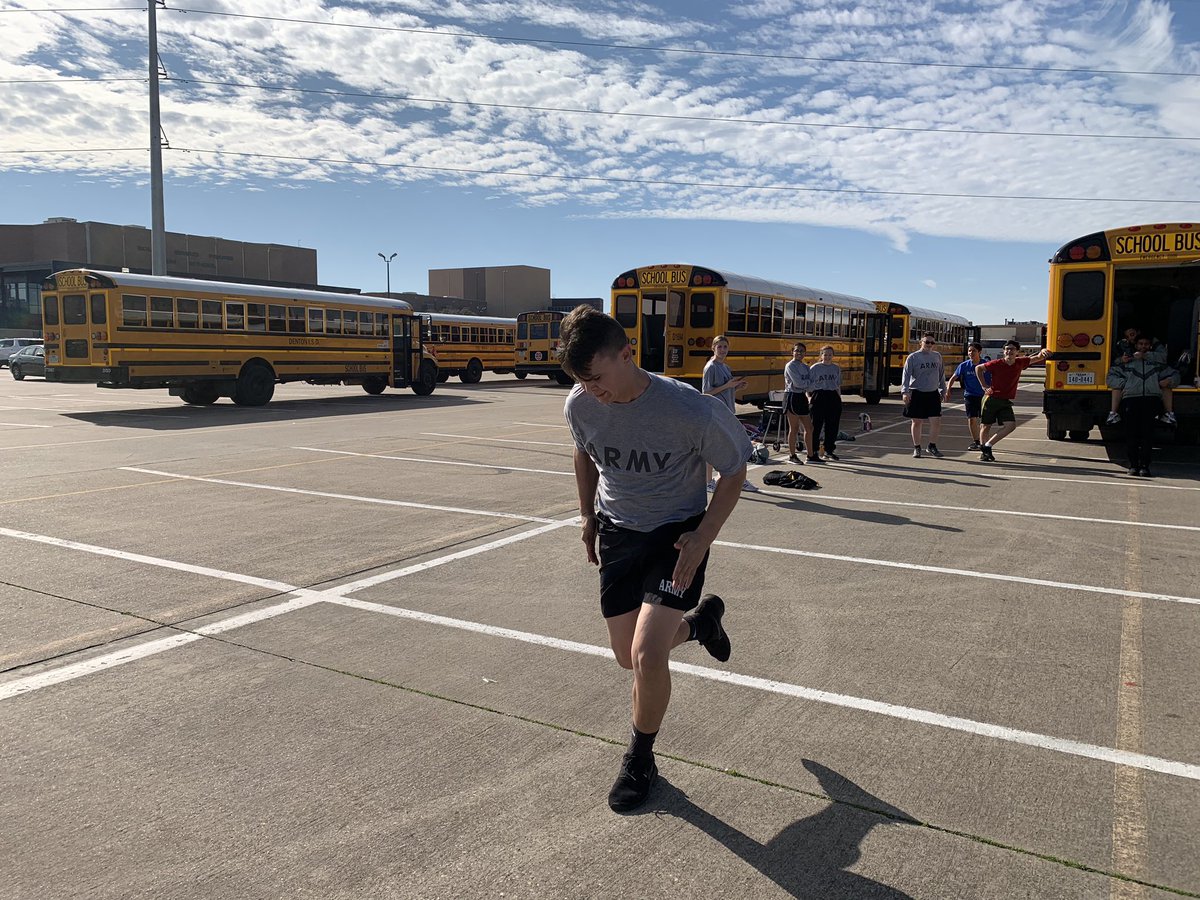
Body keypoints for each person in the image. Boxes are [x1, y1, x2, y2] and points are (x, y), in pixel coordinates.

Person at [559, 305, 751, 813]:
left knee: (646, 655)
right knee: (628, 658)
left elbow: (734, 472)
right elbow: (583, 451)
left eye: (598, 379)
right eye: (582, 381)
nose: (592, 391)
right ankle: (702, 623)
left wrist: (703, 536)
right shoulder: (580, 404)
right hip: (619, 533)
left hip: (675, 538)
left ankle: (640, 758)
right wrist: (585, 515)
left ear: (628, 354)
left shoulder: (690, 410)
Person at [1105, 333, 1178, 476]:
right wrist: (1125, 384)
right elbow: (1110, 377)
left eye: (1146, 344)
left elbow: (1175, 374)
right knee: (1131, 435)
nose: (1143, 346)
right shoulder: (1127, 362)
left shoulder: (1157, 364)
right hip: (1131, 400)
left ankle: (1145, 466)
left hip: (1151, 401)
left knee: (1147, 435)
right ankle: (1133, 466)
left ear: (1150, 346)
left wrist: (1168, 381)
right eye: (1140, 344)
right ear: (1136, 346)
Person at [975, 340, 1050, 461]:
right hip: (991, 399)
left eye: (1012, 349)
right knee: (985, 426)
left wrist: (1043, 351)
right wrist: (984, 386)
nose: (1009, 351)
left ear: (1017, 352)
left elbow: (1038, 357)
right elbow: (978, 368)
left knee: (1010, 425)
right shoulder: (996, 363)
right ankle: (984, 452)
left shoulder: (1020, 362)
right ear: (1003, 351)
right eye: (1007, 349)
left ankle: (988, 446)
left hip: (1005, 401)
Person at [702, 335, 758, 493]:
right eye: (719, 347)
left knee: (730, 447)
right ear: (713, 348)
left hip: (727, 411)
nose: (722, 350)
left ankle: (735, 479)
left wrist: (737, 387)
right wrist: (728, 384)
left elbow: (726, 389)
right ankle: (708, 481)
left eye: (725, 347)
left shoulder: (725, 367)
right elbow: (707, 392)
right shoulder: (711, 367)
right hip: (715, 412)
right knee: (718, 447)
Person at [1107, 328, 1177, 426]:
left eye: (1132, 335)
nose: (1130, 338)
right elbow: (1113, 368)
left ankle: (1168, 413)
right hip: (1131, 393)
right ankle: (1113, 413)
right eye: (1127, 337)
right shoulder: (1123, 345)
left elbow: (1164, 358)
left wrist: (1144, 355)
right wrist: (1121, 361)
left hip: (1152, 394)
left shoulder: (1154, 349)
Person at [900, 333, 946, 458]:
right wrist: (905, 392)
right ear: (921, 342)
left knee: (935, 420)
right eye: (927, 342)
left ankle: (932, 446)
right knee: (917, 421)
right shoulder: (913, 357)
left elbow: (941, 374)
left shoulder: (937, 356)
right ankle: (917, 447)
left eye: (932, 343)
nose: (929, 345)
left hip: (932, 392)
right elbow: (906, 375)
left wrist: (943, 390)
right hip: (917, 392)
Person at [944, 342, 989, 450]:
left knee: (985, 421)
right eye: (969, 351)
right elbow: (953, 377)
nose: (971, 353)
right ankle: (976, 441)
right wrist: (948, 390)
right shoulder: (964, 365)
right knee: (972, 419)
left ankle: (984, 442)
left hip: (984, 396)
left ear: (979, 352)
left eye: (973, 351)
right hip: (970, 396)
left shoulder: (986, 365)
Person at [807, 345, 843, 460]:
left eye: (830, 355)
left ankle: (829, 450)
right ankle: (814, 450)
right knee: (816, 425)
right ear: (821, 355)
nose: (827, 357)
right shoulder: (815, 368)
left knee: (832, 425)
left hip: (832, 395)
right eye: (825, 354)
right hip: (819, 395)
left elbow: (837, 385)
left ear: (833, 356)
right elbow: (809, 384)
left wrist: (839, 398)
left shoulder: (836, 368)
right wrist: (809, 397)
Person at [783, 341, 815, 463]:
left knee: (809, 427)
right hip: (792, 396)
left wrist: (807, 386)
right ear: (792, 352)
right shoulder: (790, 366)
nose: (799, 353)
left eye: (802, 351)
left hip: (801, 397)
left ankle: (810, 455)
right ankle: (792, 455)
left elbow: (811, 385)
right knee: (794, 428)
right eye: (797, 350)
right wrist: (807, 385)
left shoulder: (806, 367)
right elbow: (798, 383)